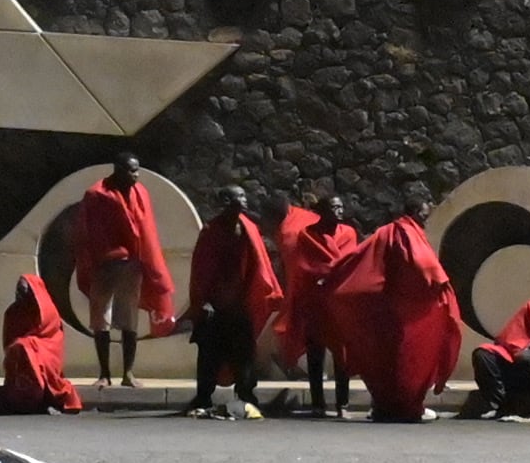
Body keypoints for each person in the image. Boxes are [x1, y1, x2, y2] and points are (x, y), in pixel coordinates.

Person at [324, 203, 464, 422]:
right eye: (425, 215)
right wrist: (440, 284)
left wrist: (335, 276)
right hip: (406, 313)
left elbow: (359, 256)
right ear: (416, 213)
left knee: (386, 363)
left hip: (385, 311)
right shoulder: (406, 232)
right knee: (408, 362)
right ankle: (407, 408)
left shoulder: (385, 232)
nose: (426, 220)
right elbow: (424, 265)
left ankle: (383, 406)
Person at [72, 153, 171, 388]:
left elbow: (147, 230)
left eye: (137, 171)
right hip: (104, 265)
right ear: (117, 169)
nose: (135, 176)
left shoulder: (141, 193)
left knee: (129, 319)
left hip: (132, 264)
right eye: (130, 171)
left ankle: (128, 373)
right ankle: (104, 373)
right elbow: (86, 233)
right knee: (101, 320)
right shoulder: (97, 194)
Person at [184, 186, 283, 420]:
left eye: (243, 196)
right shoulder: (211, 231)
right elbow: (200, 270)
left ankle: (247, 396)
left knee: (245, 355)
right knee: (209, 355)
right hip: (215, 306)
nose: (243, 200)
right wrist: (204, 300)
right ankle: (203, 398)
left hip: (240, 303)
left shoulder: (249, 228)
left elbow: (258, 264)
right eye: (238, 197)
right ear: (226, 201)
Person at [277, 192, 362, 418]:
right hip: (315, 303)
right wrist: (327, 276)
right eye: (334, 208)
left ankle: (342, 404)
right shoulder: (308, 235)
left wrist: (336, 278)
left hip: (340, 302)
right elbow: (305, 267)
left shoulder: (349, 233)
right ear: (322, 213)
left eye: (341, 207)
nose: (340, 211)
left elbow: (352, 262)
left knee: (342, 356)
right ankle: (318, 404)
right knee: (316, 355)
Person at [0, 275, 86, 414]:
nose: (21, 294)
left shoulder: (47, 311)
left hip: (46, 353)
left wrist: (31, 344)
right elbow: (10, 339)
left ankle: (42, 396)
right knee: (21, 348)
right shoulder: (13, 312)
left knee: (25, 347)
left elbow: (51, 338)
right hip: (22, 354)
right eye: (19, 290)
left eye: (25, 290)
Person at [463, 295, 530, 421]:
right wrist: (521, 348)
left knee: (528, 358)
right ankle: (498, 404)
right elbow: (510, 338)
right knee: (483, 354)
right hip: (518, 355)